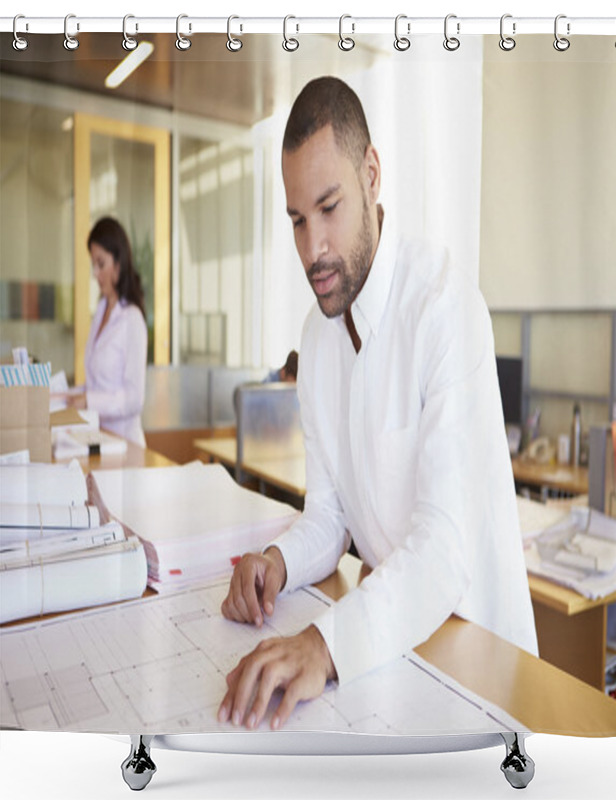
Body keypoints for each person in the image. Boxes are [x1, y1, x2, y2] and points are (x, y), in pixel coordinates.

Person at [218, 77, 537, 732]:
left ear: (372, 175)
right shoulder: (316, 335)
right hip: (394, 651)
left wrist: (324, 645)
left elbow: (443, 548)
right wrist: (278, 561)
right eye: (298, 220)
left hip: (481, 664)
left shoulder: (446, 308)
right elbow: (329, 515)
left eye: (329, 208)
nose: (313, 249)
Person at [64, 217, 148, 448]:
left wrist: (88, 400)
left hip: (126, 445)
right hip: (99, 439)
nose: (95, 273)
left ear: (119, 263)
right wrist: (69, 395)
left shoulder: (132, 319)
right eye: (93, 264)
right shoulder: (101, 310)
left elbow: (134, 399)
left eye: (101, 264)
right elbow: (98, 384)